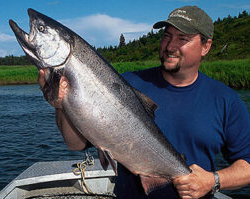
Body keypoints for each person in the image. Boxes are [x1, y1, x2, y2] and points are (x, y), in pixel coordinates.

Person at [38, 5, 250, 199]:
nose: (170, 45)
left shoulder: (225, 100)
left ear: (206, 46)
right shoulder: (125, 84)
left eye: (182, 39)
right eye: (167, 36)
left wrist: (212, 181)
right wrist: (61, 105)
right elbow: (75, 144)